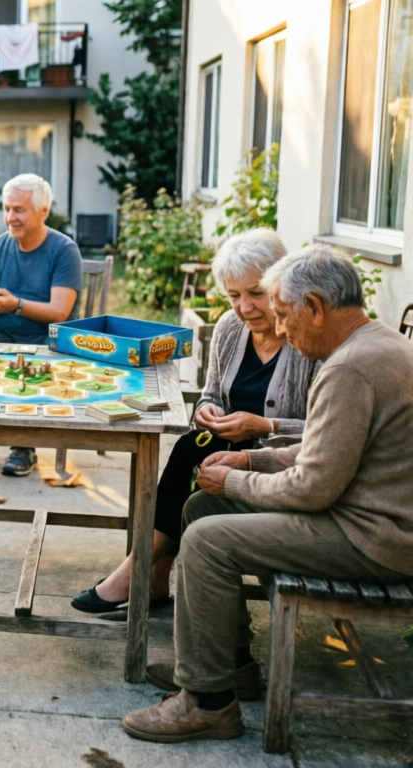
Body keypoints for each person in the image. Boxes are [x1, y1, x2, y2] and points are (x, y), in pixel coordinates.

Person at [121, 244, 413, 743]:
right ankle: (227, 666)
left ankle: (208, 703)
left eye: (283, 314)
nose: (279, 328)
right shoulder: (372, 344)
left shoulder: (348, 368)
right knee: (203, 505)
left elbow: (312, 488)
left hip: (376, 538)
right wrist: (250, 460)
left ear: (314, 308)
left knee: (207, 541)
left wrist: (236, 480)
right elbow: (324, 450)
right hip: (366, 514)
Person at [71, 229, 318, 615]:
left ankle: (138, 572)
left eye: (255, 293)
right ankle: (151, 576)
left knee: (192, 463)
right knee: (190, 449)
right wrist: (206, 410)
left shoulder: (308, 342)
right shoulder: (229, 328)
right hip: (227, 447)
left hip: (280, 467)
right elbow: (211, 394)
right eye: (234, 295)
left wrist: (266, 427)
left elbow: (326, 433)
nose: (245, 307)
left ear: (280, 285)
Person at [0, 173, 82, 476]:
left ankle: (23, 447)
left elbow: (60, 312)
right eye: (7, 209)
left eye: (19, 210)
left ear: (43, 211)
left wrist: (16, 305)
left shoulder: (64, 250)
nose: (10, 217)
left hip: (50, 341)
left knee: (21, 362)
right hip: (5, 334)